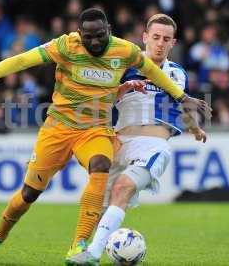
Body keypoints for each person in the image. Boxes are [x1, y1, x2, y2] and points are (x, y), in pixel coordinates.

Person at [0, 8, 209, 265]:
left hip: (95, 130)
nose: (95, 42)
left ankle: (79, 246)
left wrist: (182, 98)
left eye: (100, 36)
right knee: (29, 194)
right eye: (89, 37)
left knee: (101, 166)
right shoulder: (65, 45)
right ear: (79, 34)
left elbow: (155, 73)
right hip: (58, 128)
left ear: (109, 30)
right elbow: (22, 60)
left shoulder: (124, 52)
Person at [66, 14, 208, 266]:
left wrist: (195, 129)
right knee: (96, 203)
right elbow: (102, 100)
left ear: (173, 42)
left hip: (154, 146)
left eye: (166, 39)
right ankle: (91, 248)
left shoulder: (177, 73)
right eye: (155, 37)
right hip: (119, 142)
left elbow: (181, 104)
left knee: (122, 188)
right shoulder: (122, 66)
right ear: (145, 38)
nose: (160, 43)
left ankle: (93, 255)